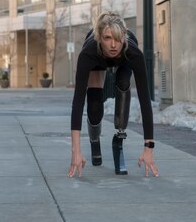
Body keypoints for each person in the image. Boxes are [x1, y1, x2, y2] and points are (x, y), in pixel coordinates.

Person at [68, 11, 159, 178]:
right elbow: (78, 103)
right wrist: (76, 151)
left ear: (124, 36)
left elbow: (145, 102)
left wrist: (149, 148)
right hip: (98, 59)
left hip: (124, 59)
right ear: (99, 37)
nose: (113, 45)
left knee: (124, 83)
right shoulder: (88, 53)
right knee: (94, 107)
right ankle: (94, 140)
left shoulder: (133, 53)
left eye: (118, 38)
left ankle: (120, 137)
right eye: (107, 38)